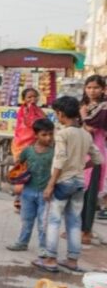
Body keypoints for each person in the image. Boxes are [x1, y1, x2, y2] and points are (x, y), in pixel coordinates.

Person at [34, 96, 102, 273]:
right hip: (80, 182)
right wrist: (80, 165)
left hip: (63, 181)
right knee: (74, 222)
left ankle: (50, 259)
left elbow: (60, 160)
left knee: (53, 220)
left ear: (60, 114)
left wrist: (50, 184)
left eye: (56, 113)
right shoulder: (85, 134)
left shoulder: (63, 134)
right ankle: (72, 260)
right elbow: (98, 159)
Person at [7, 118, 55, 253]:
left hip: (46, 193)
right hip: (28, 191)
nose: (48, 137)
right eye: (44, 135)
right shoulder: (28, 151)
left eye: (51, 134)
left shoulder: (55, 152)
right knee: (26, 219)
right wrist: (17, 177)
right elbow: (19, 164)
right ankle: (22, 242)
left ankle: (43, 247)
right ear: (36, 135)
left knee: (43, 223)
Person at [80, 75, 107, 245]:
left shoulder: (103, 109)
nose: (92, 91)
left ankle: (86, 231)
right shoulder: (83, 106)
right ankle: (77, 227)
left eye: (96, 87)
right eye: (89, 87)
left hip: (95, 153)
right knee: (78, 192)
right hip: (80, 152)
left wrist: (83, 119)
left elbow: (91, 127)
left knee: (90, 194)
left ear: (103, 89)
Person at [12, 87, 44, 160]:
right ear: (24, 99)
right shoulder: (24, 110)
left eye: (35, 96)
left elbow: (44, 118)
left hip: (36, 139)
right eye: (29, 97)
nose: (33, 99)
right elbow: (28, 123)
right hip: (24, 139)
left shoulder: (37, 109)